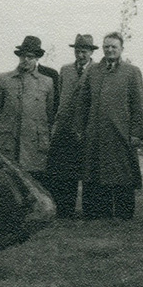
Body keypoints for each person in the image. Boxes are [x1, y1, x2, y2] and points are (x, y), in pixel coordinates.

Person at [75, 32, 143, 220]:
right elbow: (83, 103)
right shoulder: (93, 71)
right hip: (95, 133)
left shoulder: (132, 72)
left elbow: (137, 106)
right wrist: (80, 128)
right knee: (95, 173)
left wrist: (136, 133)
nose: (110, 50)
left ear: (121, 48)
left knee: (122, 174)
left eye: (114, 46)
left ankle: (123, 214)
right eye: (106, 46)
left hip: (121, 134)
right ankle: (97, 213)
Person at [0, 36, 56, 199]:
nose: (26, 60)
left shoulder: (47, 82)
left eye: (30, 57)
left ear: (37, 59)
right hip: (9, 139)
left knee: (33, 183)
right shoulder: (3, 79)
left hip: (34, 142)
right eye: (23, 56)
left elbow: (49, 114)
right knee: (7, 180)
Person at [44, 34, 97, 218]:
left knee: (89, 170)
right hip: (66, 126)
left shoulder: (97, 70)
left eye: (84, 51)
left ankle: (91, 211)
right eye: (77, 51)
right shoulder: (65, 70)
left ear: (91, 52)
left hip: (88, 126)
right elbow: (60, 98)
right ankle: (65, 209)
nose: (80, 55)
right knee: (66, 170)